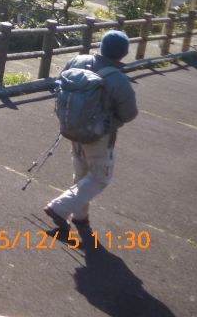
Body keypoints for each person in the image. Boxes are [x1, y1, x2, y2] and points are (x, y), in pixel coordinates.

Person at [44, 30, 138, 240]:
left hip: (72, 129)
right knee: (99, 177)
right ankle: (60, 207)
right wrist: (111, 122)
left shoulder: (76, 61)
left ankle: (80, 220)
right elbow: (129, 113)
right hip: (98, 137)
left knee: (82, 175)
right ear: (123, 54)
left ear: (101, 46)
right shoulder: (118, 80)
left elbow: (57, 87)